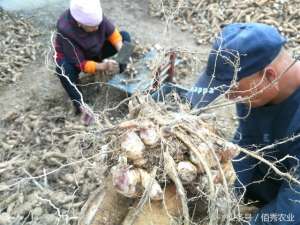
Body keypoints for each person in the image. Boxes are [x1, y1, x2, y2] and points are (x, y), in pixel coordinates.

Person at [186, 23, 300, 224]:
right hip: (272, 182)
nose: (230, 97)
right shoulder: (255, 96)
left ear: (270, 75)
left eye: (233, 88)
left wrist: (253, 222)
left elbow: (294, 206)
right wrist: (226, 194)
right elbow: (247, 143)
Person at [54, 0, 131, 124]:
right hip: (75, 59)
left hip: (95, 50)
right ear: (80, 24)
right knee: (63, 69)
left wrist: (122, 54)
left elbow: (114, 35)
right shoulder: (66, 31)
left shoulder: (95, 15)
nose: (97, 28)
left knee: (125, 36)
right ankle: (81, 106)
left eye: (98, 24)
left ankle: (121, 70)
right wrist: (103, 66)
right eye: (93, 26)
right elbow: (82, 64)